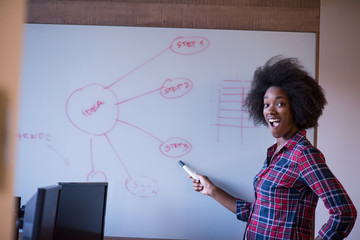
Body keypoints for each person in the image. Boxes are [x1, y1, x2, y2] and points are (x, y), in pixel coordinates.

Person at [191, 56, 357, 240]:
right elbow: (258, 215)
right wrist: (211, 190)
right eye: (266, 104)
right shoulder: (274, 154)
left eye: (280, 103)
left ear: (297, 106)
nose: (270, 111)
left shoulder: (303, 154)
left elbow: (344, 212)